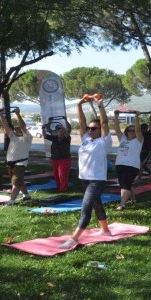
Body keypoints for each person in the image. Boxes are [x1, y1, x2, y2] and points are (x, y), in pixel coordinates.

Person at [58, 95, 112, 249]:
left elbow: (105, 122)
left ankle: (74, 238)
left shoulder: (104, 142)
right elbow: (81, 122)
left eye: (94, 128)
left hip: (97, 180)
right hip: (84, 178)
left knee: (86, 207)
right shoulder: (86, 140)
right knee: (96, 203)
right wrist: (79, 105)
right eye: (89, 128)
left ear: (100, 130)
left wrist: (100, 105)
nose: (90, 130)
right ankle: (105, 230)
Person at [0, 107, 33, 205]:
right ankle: (27, 196)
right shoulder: (13, 136)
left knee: (16, 183)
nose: (16, 129)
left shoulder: (27, 138)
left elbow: (23, 127)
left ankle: (11, 202)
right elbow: (6, 126)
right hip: (10, 164)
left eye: (18, 128)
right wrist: (1, 115)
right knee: (19, 182)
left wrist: (18, 114)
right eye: (15, 128)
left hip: (20, 163)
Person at [113, 110, 143, 211]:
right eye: (129, 130)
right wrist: (116, 116)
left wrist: (136, 117)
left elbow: (138, 131)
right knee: (125, 183)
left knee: (125, 184)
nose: (132, 132)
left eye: (133, 130)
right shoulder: (123, 139)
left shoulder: (139, 140)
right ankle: (133, 199)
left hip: (132, 165)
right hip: (120, 164)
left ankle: (122, 204)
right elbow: (117, 129)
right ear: (126, 131)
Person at [43, 119, 72, 192]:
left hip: (64, 159)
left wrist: (64, 125)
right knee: (56, 175)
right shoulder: (54, 138)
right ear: (57, 132)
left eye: (62, 131)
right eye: (59, 131)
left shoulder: (67, 139)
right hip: (55, 159)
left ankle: (63, 189)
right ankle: (59, 187)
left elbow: (68, 130)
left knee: (62, 175)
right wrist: (43, 128)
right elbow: (45, 136)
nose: (61, 132)